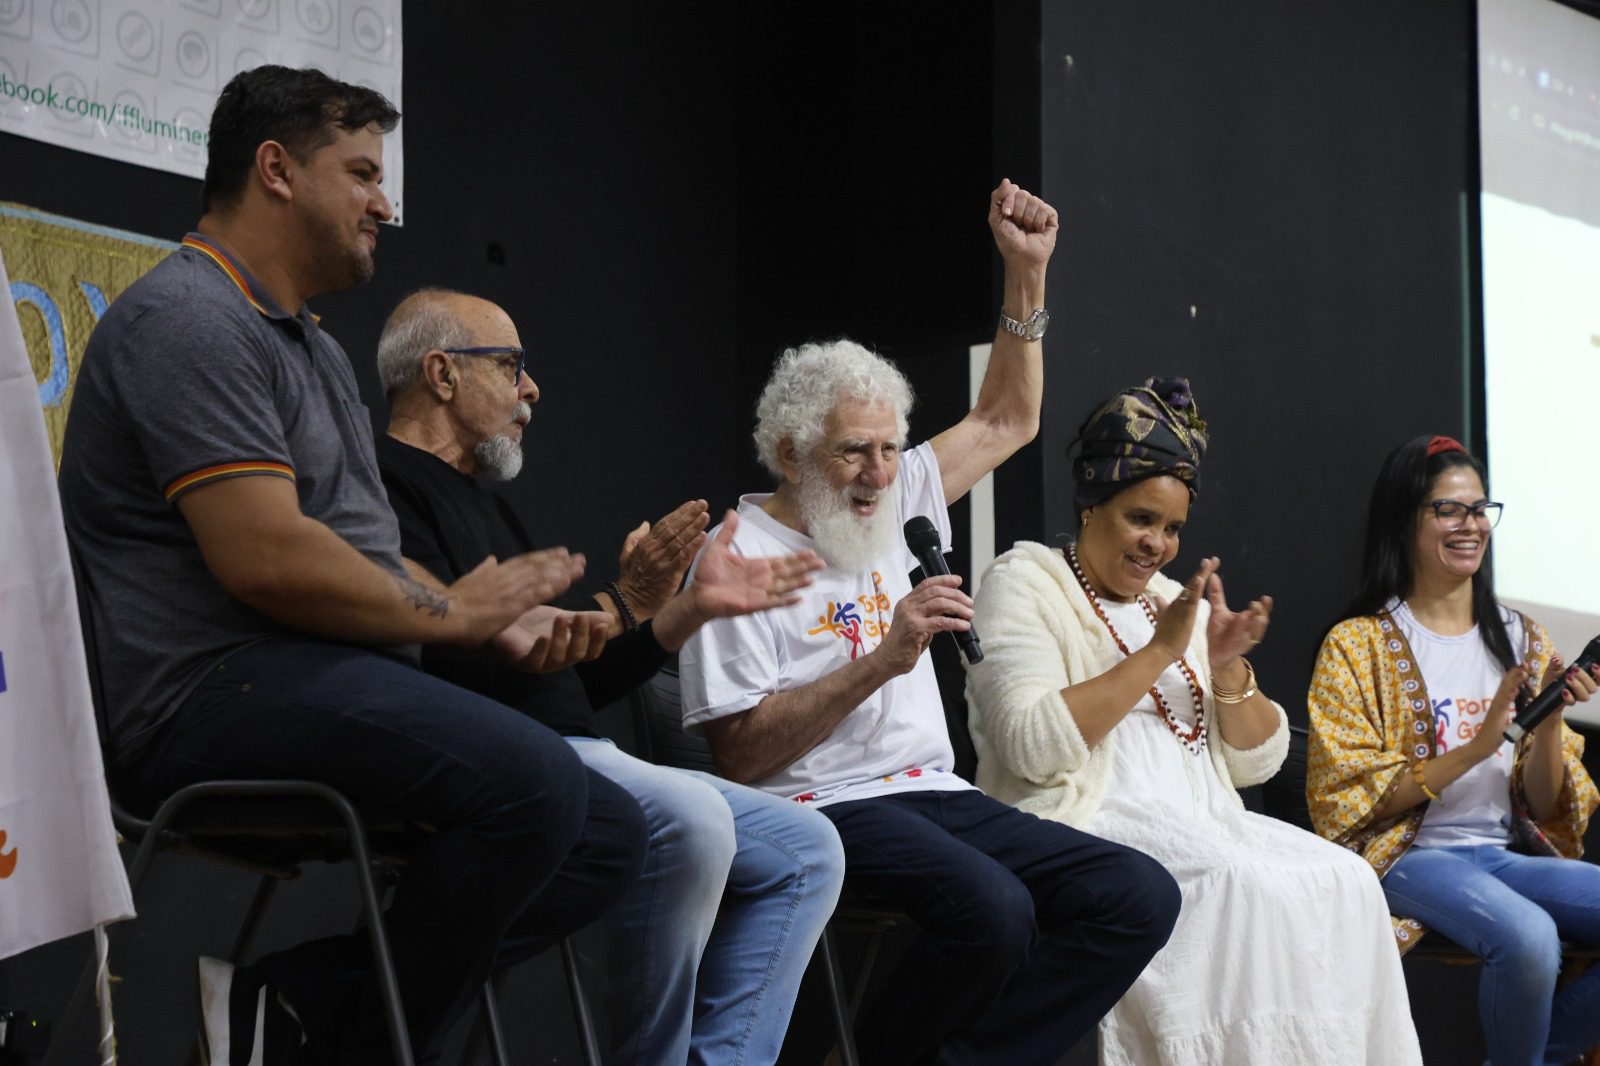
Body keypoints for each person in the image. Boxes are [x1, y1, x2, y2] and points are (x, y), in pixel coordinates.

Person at [58, 66, 648, 1065]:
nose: (386, 204)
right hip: (201, 693)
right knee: (537, 785)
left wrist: (487, 617)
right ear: (277, 170)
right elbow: (267, 557)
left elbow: (359, 551)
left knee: (606, 834)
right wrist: (450, 613)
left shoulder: (317, 353)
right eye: (364, 174)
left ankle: (294, 1012)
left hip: (305, 673)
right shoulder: (188, 319)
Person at [679, 181, 1181, 1066]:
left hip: (934, 794)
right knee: (995, 911)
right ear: (790, 452)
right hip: (818, 803)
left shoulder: (900, 493)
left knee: (1136, 894)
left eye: (888, 447)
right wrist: (882, 659)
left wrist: (1026, 274)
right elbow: (742, 756)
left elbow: (1006, 418)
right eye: (853, 451)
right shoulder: (735, 555)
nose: (880, 473)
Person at [372, 288, 845, 1066]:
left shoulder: (484, 502)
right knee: (695, 817)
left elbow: (566, 685)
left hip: (570, 750)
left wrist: (687, 608)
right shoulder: (383, 486)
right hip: (495, 759)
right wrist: (613, 607)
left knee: (810, 849)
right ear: (442, 373)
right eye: (511, 366)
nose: (531, 389)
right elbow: (438, 657)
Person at [964, 378, 1422, 1065]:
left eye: (1173, 528)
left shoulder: (1172, 601)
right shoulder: (1025, 581)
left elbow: (1255, 763)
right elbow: (1030, 745)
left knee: (1348, 880)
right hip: (1084, 817)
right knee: (1238, 880)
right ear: (1090, 505)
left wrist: (1229, 669)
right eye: (1141, 519)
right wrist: (1159, 654)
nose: (1157, 544)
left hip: (1207, 817)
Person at [1308, 434, 1600, 1065]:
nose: (1470, 525)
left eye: (1479, 509)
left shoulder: (1524, 637)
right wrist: (1476, 746)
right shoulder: (1357, 644)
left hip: (1498, 855)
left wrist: (1549, 722)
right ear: (1404, 520)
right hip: (1407, 856)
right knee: (1530, 937)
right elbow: (1346, 803)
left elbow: (1544, 804)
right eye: (1448, 509)